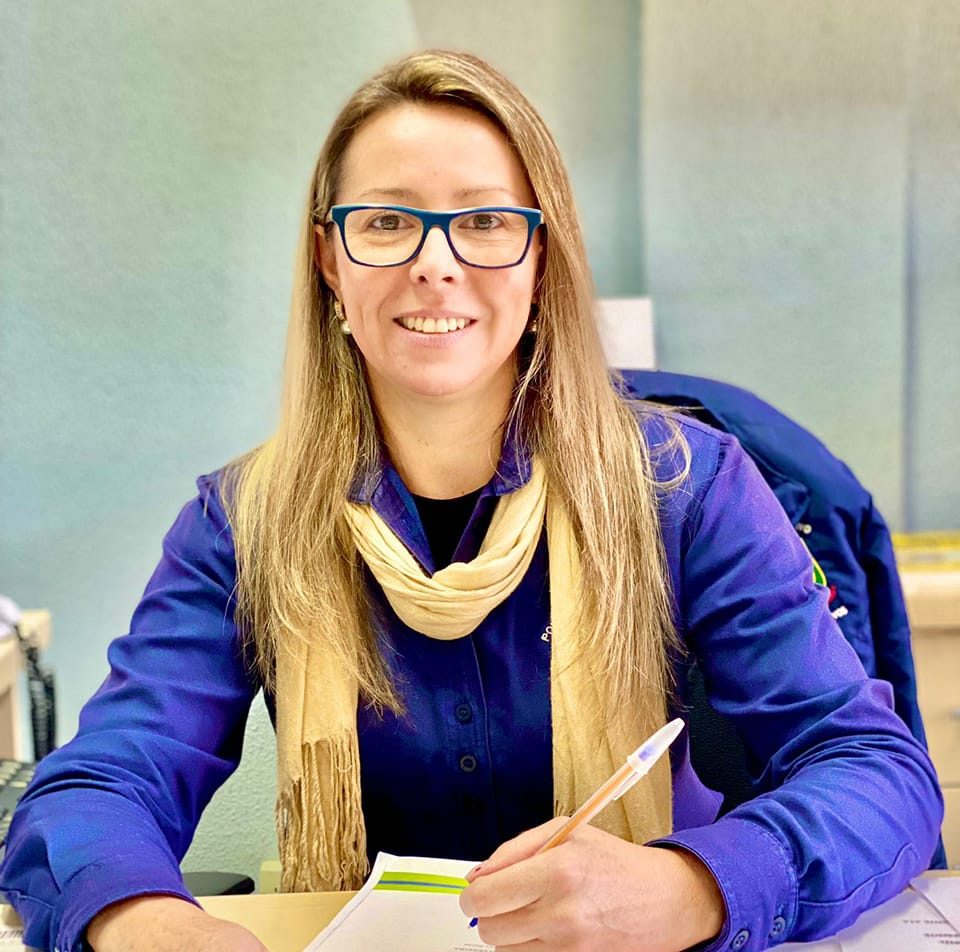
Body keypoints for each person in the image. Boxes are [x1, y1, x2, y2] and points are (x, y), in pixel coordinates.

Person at [0, 50, 942, 952]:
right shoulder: (242, 522)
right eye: (386, 222)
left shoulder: (689, 488)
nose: (435, 263)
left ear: (542, 259)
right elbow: (99, 785)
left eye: (486, 221)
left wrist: (694, 886)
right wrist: (146, 924)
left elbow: (876, 773)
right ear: (329, 262)